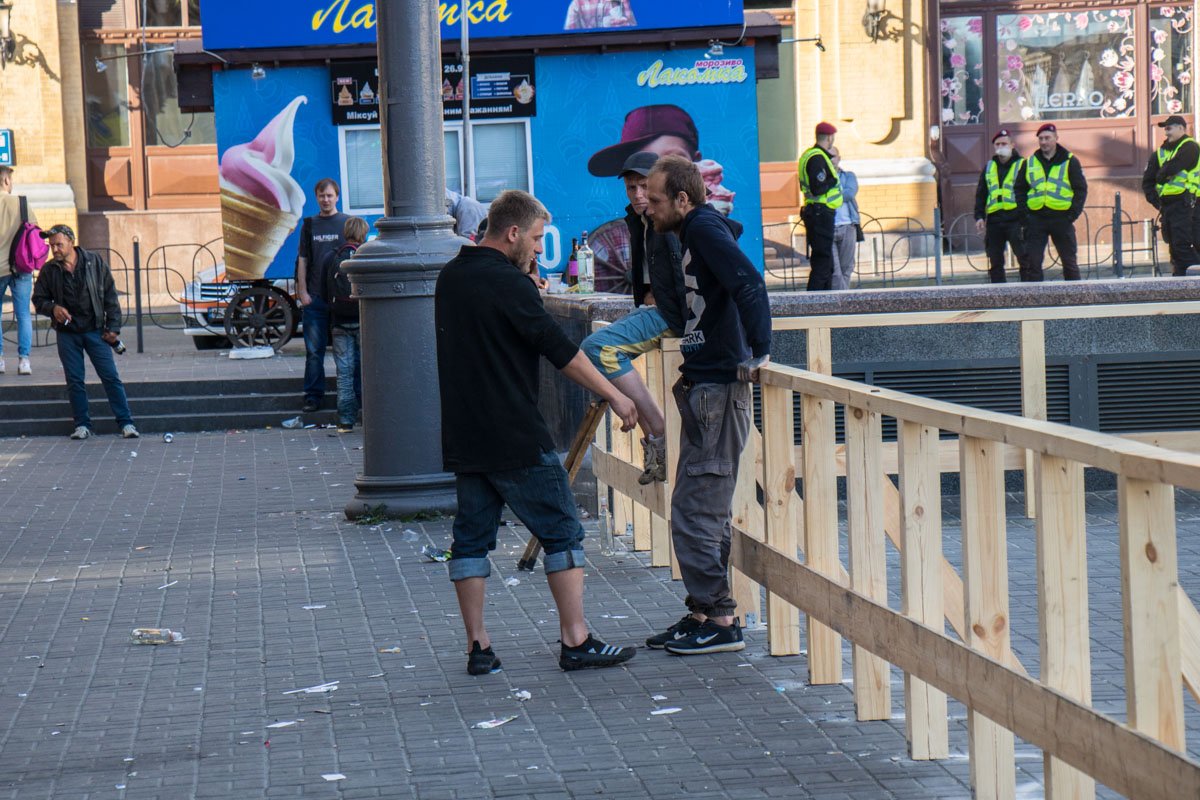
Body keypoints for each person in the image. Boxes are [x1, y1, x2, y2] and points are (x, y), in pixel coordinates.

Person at [434, 189, 640, 675]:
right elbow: (557, 348)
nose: (538, 247)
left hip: (465, 434)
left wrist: (525, 283)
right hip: (515, 433)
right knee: (563, 531)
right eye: (535, 238)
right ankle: (577, 639)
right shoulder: (510, 284)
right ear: (512, 233)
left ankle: (478, 647)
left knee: (471, 539)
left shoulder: (451, 276)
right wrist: (615, 394)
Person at [643, 155, 771, 656]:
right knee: (699, 507)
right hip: (707, 386)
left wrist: (760, 349)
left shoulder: (702, 226)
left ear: (682, 198)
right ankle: (703, 610)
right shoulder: (687, 230)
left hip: (719, 387)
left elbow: (748, 282)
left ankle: (720, 620)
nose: (645, 207)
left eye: (654, 200)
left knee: (696, 508)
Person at [581, 151, 686, 484]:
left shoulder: (668, 218)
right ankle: (658, 438)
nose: (638, 195)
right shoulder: (637, 218)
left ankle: (658, 432)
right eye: (631, 188)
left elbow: (687, 271)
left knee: (596, 349)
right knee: (597, 349)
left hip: (674, 314)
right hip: (656, 307)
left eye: (644, 187)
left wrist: (663, 297)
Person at [31, 225, 138, 440]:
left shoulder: (94, 262)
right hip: (67, 332)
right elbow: (38, 299)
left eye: (59, 244)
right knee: (74, 379)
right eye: (52, 245)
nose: (55, 249)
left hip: (95, 330)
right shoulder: (50, 269)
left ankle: (126, 423)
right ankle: (82, 425)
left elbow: (110, 296)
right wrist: (53, 309)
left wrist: (113, 328)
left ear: (71, 242)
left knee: (110, 376)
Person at [295, 178, 349, 413]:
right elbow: (303, 260)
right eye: (321, 195)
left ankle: (350, 397)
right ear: (316, 197)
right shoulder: (309, 224)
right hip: (315, 298)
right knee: (314, 352)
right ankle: (313, 396)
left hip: (341, 299)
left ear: (337, 197)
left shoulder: (347, 223)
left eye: (329, 195)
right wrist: (303, 292)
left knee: (346, 351)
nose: (326, 200)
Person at [1015, 123, 1087, 281]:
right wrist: (1024, 216)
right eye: (1040, 138)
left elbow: (1080, 189)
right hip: (1035, 218)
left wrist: (1072, 215)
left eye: (1047, 138)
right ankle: (1035, 301)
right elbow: (1019, 189)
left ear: (1056, 138)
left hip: (1061, 218)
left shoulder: (1070, 161)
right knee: (1032, 263)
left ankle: (1074, 298)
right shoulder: (1029, 162)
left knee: (1069, 262)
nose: (1043, 142)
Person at [323, 216, 367, 432]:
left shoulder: (332, 257)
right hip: (362, 322)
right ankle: (369, 418)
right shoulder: (366, 257)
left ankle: (345, 422)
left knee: (344, 374)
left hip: (339, 322)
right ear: (363, 234)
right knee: (367, 372)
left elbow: (323, 292)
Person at [1141, 114, 1200, 277]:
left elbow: (1174, 166)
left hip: (1188, 204)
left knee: (1184, 245)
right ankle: (1181, 282)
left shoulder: (1190, 147)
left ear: (1181, 128)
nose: (1166, 132)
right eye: (1165, 129)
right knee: (1174, 247)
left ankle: (1190, 280)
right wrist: (1158, 203)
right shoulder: (1159, 153)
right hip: (1168, 207)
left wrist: (1162, 174)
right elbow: (1148, 182)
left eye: (1169, 128)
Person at [974, 129, 1030, 283]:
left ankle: (1028, 293)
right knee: (995, 261)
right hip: (994, 220)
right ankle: (998, 295)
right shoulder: (989, 167)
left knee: (1025, 258)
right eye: (998, 144)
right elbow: (981, 193)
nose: (1001, 146)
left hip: (1016, 219)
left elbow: (1030, 191)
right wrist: (979, 216)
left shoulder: (1023, 165)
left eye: (1004, 143)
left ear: (1012, 145)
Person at [0, 166, 37, 375]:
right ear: (6, 181)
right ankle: (24, 361)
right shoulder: (21, 203)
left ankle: (0, 360)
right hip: (21, 267)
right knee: (23, 314)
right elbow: (36, 231)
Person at [799, 122, 842, 291]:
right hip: (820, 212)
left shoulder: (810, 155)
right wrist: (832, 179)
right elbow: (818, 187)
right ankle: (815, 303)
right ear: (830, 138)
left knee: (826, 263)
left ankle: (824, 302)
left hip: (817, 212)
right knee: (822, 262)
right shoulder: (817, 158)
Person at [829, 147, 861, 290]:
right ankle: (843, 302)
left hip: (848, 225)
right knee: (834, 271)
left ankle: (842, 300)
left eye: (834, 156)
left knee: (846, 268)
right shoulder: (821, 178)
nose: (831, 159)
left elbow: (850, 194)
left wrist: (829, 196)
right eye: (828, 157)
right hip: (828, 227)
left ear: (839, 158)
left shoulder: (849, 176)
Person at [564, 0, 636, 30]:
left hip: (616, 47)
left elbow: (634, 30)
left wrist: (625, 25)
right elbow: (568, 37)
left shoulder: (620, 2)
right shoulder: (576, 4)